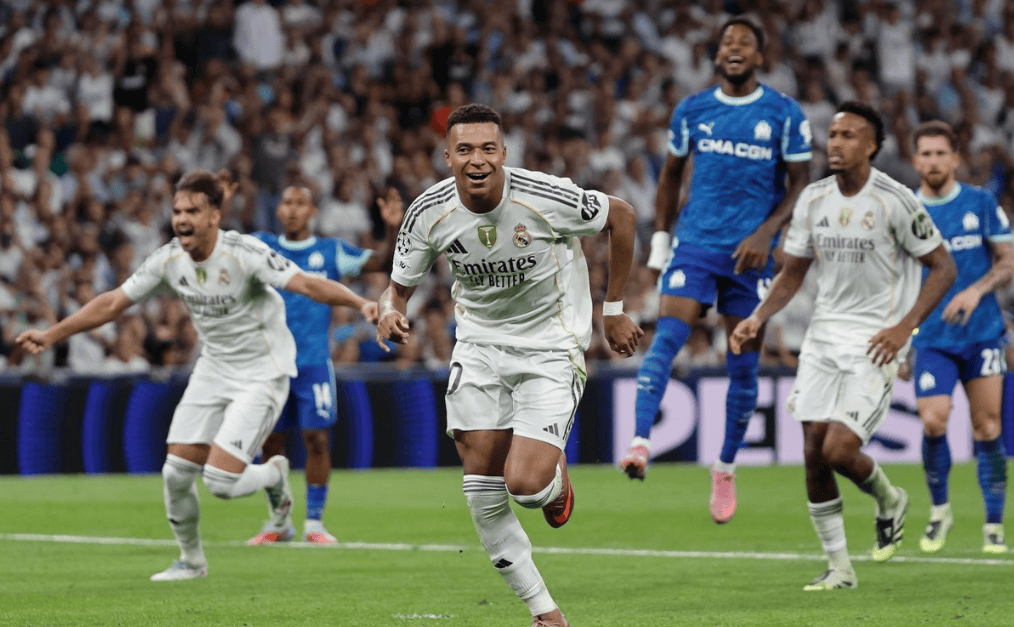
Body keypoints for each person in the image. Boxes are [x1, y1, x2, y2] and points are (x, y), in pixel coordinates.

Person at [16, 170, 377, 581]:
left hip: (262, 371)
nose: (182, 219)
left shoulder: (245, 253)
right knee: (175, 473)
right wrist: (51, 334)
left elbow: (308, 284)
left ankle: (273, 475)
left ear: (214, 217)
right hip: (213, 369)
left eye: (192, 211)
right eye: (177, 211)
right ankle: (191, 561)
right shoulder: (169, 259)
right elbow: (113, 302)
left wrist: (361, 304)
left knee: (220, 482)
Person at [376, 104, 643, 627]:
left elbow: (622, 215)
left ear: (503, 153)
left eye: (487, 149)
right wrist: (389, 312)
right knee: (481, 490)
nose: (477, 160)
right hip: (479, 347)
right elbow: (398, 288)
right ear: (447, 156)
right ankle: (545, 612)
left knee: (525, 486)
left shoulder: (544, 196)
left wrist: (612, 310)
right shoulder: (428, 210)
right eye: (465, 150)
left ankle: (554, 483)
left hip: (550, 347)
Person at [730, 102, 957, 590]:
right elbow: (793, 272)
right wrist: (757, 317)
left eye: (848, 135)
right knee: (813, 451)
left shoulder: (895, 200)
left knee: (838, 449)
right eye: (832, 135)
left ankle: (890, 499)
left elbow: (944, 267)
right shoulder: (813, 199)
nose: (835, 143)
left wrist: (905, 328)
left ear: (871, 146)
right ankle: (840, 568)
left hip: (875, 342)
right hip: (822, 339)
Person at [619, 17, 812, 525]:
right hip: (697, 244)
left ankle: (724, 468)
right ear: (717, 55)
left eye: (745, 42)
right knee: (666, 338)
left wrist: (767, 232)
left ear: (760, 57)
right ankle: (640, 442)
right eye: (728, 42)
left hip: (751, 256)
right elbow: (669, 178)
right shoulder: (693, 109)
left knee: (742, 363)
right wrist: (661, 244)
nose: (735, 48)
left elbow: (801, 183)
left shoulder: (783, 113)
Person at [246, 184, 403, 546]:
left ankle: (314, 522)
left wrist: (392, 227)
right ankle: (279, 521)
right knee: (270, 444)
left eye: (300, 203)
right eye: (287, 202)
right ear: (279, 209)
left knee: (316, 440)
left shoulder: (331, 251)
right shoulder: (262, 246)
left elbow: (382, 262)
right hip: (269, 365)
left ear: (313, 211)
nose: (293, 209)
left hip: (314, 363)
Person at [906, 120, 1013, 554]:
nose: (933, 161)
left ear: (955, 158)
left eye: (940, 153)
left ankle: (993, 523)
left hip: (982, 334)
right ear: (915, 160)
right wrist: (899, 338)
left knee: (988, 427)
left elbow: (1008, 260)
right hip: (931, 337)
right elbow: (893, 278)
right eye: (925, 154)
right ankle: (939, 511)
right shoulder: (905, 209)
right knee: (934, 420)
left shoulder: (980, 202)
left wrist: (976, 290)